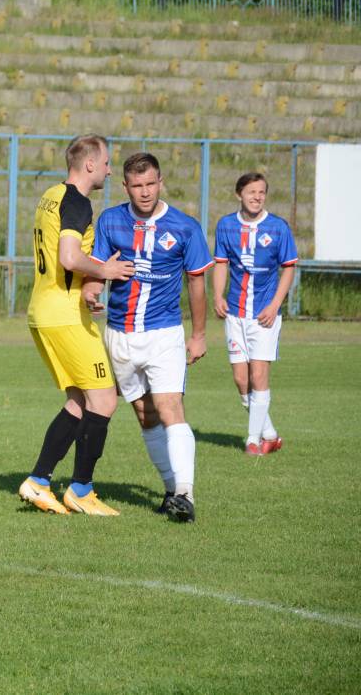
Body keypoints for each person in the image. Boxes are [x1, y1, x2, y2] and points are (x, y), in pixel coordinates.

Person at [84, 152, 213, 522]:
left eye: (151, 184)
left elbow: (197, 284)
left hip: (164, 333)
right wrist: (92, 290)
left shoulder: (185, 227)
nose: (144, 192)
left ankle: (186, 493)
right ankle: (171, 490)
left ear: (161, 183)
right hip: (119, 334)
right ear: (125, 186)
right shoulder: (110, 220)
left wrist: (199, 335)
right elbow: (98, 268)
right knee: (145, 414)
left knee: (170, 407)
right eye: (137, 185)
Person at [19, 134, 135, 517]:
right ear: (89, 164)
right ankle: (81, 490)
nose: (109, 170)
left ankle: (38, 482)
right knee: (104, 400)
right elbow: (69, 257)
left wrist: (86, 289)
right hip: (64, 315)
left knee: (79, 402)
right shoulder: (77, 202)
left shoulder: (50, 195)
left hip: (45, 310)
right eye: (106, 162)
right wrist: (104, 270)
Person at [211, 172, 298, 455]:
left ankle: (252, 440)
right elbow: (221, 263)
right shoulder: (226, 225)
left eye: (261, 192)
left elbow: (289, 268)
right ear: (239, 194)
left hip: (264, 317)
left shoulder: (278, 227)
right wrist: (218, 295)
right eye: (251, 192)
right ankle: (270, 434)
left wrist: (274, 305)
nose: (257, 197)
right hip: (235, 314)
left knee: (259, 376)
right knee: (241, 380)